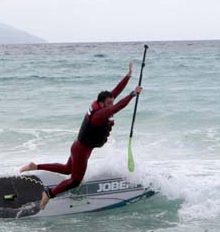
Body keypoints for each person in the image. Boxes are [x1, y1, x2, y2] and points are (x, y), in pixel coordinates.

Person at [19, 61, 143, 210]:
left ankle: (35, 166)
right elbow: (118, 107)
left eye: (111, 101)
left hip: (80, 146)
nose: (111, 103)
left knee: (67, 169)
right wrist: (133, 94)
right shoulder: (100, 115)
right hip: (81, 149)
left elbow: (115, 92)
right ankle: (49, 194)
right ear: (102, 103)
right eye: (109, 102)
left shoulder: (101, 103)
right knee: (75, 180)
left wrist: (128, 77)